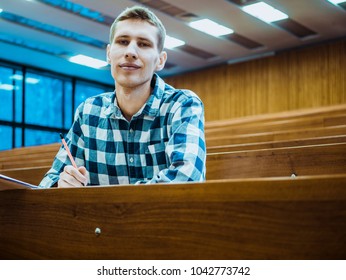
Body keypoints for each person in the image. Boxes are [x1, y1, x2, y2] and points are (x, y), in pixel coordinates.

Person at [39, 5, 206, 188]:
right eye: (123, 41)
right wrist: (61, 184)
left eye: (143, 44)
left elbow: (186, 180)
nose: (130, 52)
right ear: (109, 53)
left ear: (160, 60)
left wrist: (111, 202)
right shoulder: (88, 112)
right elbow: (48, 181)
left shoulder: (182, 105)